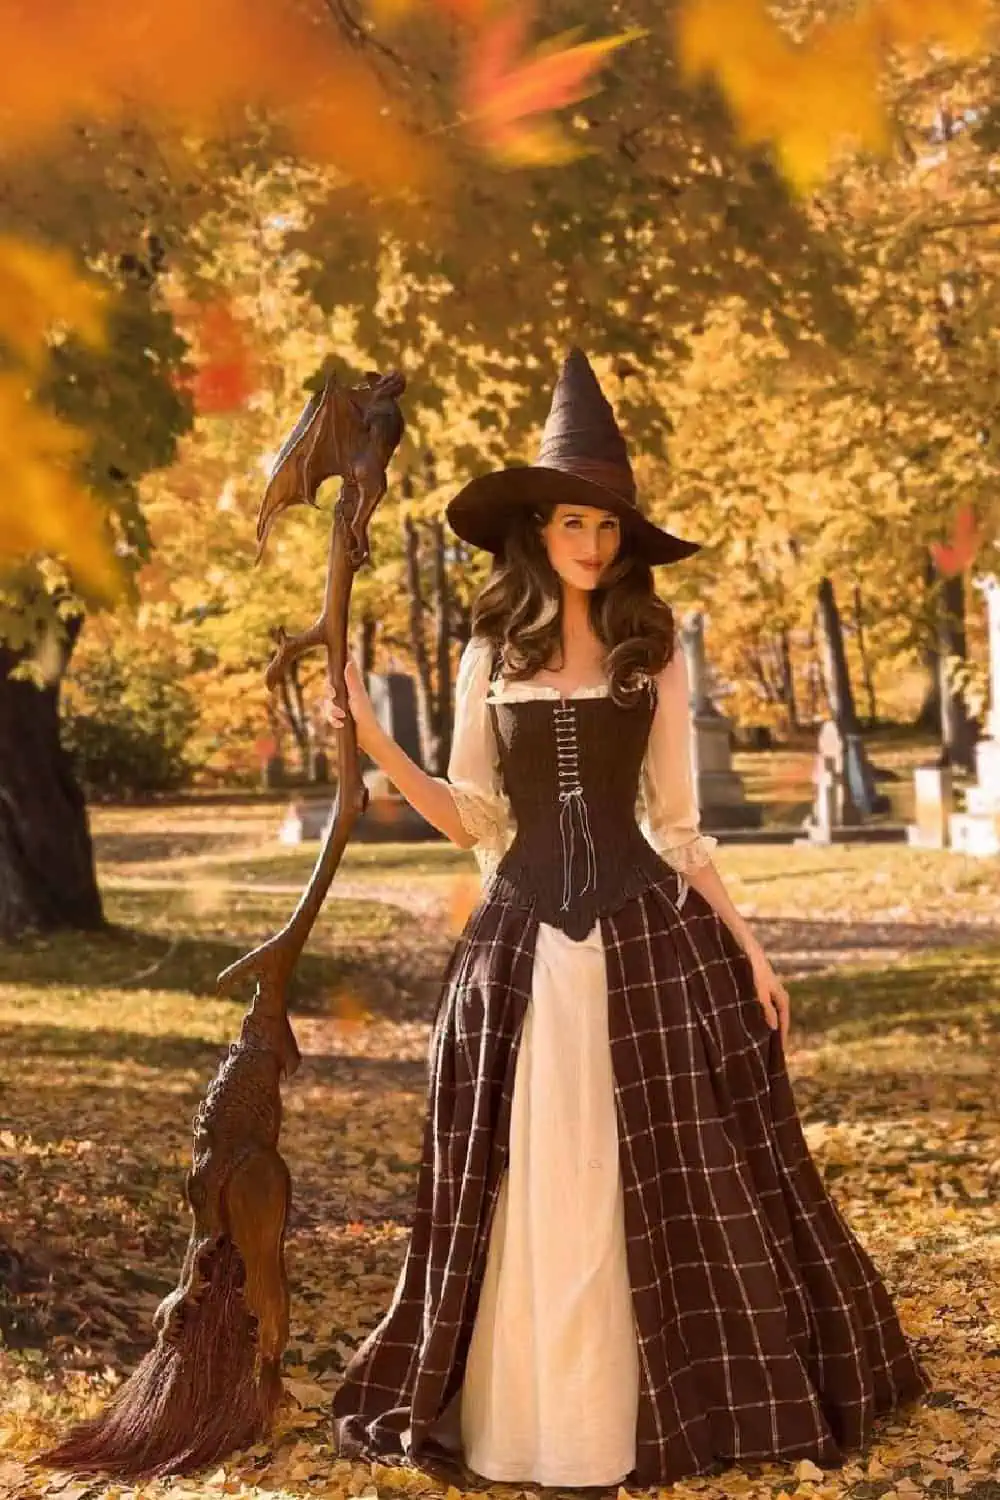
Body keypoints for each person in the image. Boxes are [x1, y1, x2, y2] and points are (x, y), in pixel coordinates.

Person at [325, 350, 928, 1487]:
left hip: (645, 946)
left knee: (655, 1177)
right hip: (520, 952)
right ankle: (527, 1423)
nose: (592, 547)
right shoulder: (487, 656)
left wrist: (753, 953)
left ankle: (648, 1413)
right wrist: (369, 733)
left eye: (607, 528)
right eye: (570, 524)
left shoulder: (655, 653)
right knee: (529, 1177)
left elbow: (682, 830)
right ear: (535, 531)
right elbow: (469, 818)